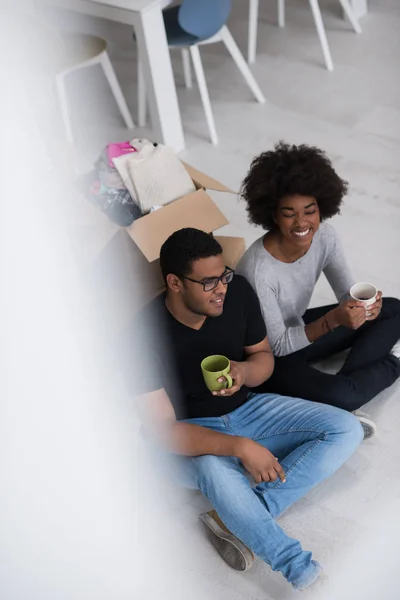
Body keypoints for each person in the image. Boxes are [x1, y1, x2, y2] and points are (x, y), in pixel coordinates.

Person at [123, 227, 363, 592]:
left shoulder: (237, 294)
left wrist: (246, 372)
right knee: (211, 466)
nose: (222, 287)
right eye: (208, 282)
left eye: (223, 276)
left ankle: (234, 516)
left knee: (347, 428)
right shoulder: (140, 336)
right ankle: (303, 572)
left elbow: (263, 357)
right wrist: (240, 447)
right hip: (185, 435)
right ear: (174, 282)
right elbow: (163, 431)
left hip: (248, 409)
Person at [237, 142, 400, 439]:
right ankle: (392, 363)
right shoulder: (258, 270)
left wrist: (364, 307)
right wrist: (334, 321)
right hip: (266, 354)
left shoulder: (325, 236)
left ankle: (353, 386)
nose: (302, 223)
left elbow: (345, 295)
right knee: (343, 395)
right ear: (273, 215)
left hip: (299, 328)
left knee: (394, 308)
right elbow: (278, 346)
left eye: (309, 211)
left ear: (321, 207)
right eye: (289, 214)